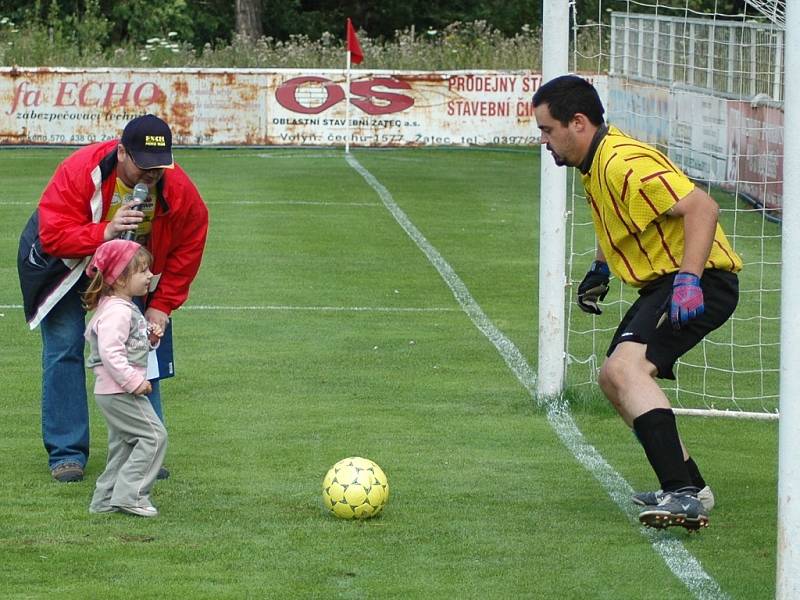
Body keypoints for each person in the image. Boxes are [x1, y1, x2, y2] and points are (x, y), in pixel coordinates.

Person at [532, 75, 742, 531]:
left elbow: (703, 207)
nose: (544, 142)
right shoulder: (598, 162)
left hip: (699, 279)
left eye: (548, 131)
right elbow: (624, 219)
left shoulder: (624, 162)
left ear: (579, 123)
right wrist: (601, 268)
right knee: (612, 378)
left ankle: (682, 496)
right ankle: (692, 485)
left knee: (628, 370)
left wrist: (689, 279)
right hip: (665, 283)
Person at [17, 114, 208, 483]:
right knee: (64, 349)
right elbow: (53, 235)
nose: (152, 175)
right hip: (65, 264)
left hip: (129, 271)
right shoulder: (79, 170)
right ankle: (67, 454)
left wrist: (161, 305)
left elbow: (190, 242)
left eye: (159, 167)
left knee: (139, 352)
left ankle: (143, 448)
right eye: (143, 167)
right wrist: (106, 230)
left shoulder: (177, 186)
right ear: (121, 152)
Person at [83, 240, 166, 517]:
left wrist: (150, 339)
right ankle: (131, 496)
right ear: (119, 279)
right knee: (154, 437)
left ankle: (104, 500)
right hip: (120, 392)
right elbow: (110, 353)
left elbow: (129, 346)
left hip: (113, 391)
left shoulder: (120, 306)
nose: (149, 277)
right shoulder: (118, 311)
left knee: (123, 446)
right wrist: (134, 382)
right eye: (142, 271)